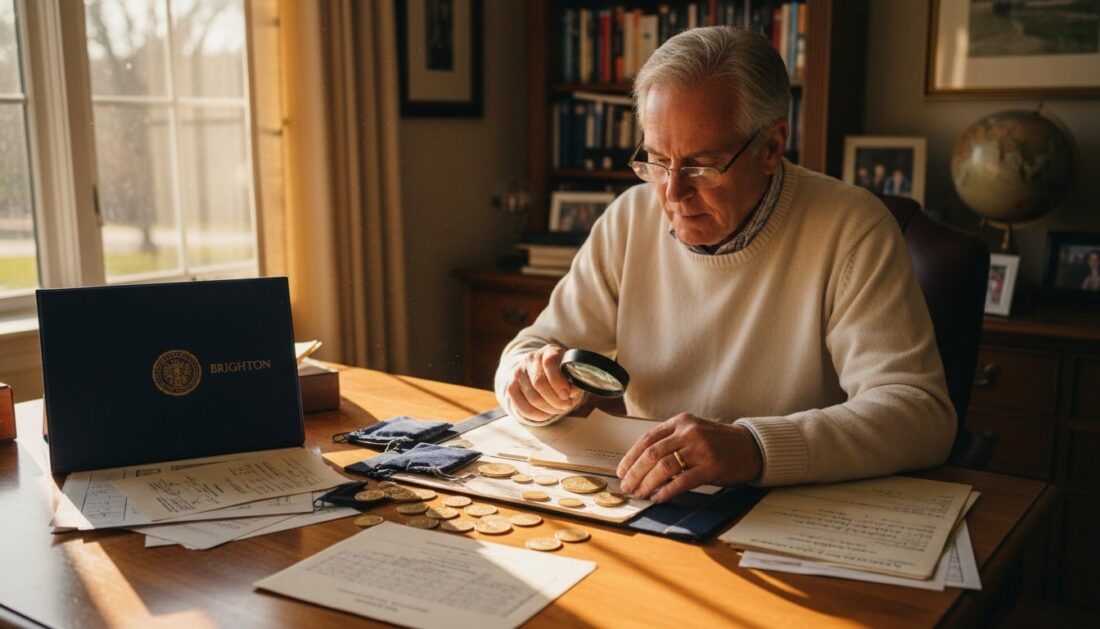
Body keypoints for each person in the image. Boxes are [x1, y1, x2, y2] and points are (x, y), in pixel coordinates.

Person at [494, 26, 954, 503]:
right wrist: (528, 386)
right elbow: (532, 347)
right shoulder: (630, 218)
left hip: (789, 507)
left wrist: (755, 447)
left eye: (700, 166)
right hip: (647, 499)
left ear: (771, 148)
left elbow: (920, 415)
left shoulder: (853, 228)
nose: (672, 194)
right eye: (656, 161)